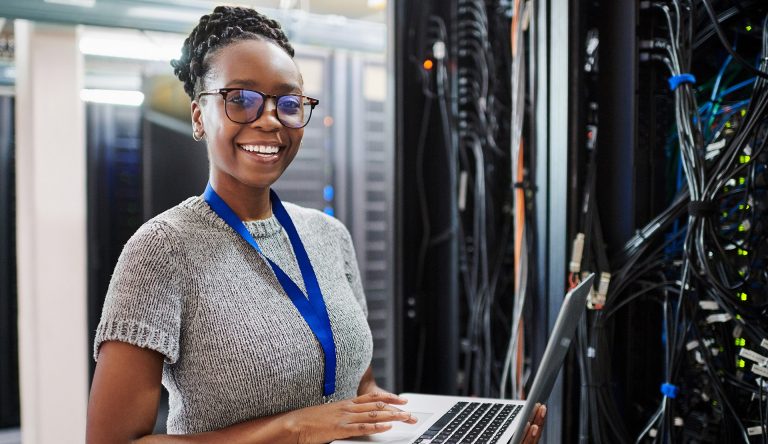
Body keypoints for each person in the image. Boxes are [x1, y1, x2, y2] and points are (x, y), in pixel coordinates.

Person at [86, 6, 546, 443]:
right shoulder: (163, 249)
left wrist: (424, 427)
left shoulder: (329, 235)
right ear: (199, 117)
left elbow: (357, 389)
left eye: (288, 102)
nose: (270, 120)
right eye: (241, 100)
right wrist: (295, 430)